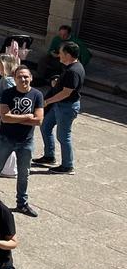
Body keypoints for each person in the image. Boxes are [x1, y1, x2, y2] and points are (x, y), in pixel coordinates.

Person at [0, 65, 45, 218]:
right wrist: (28, 117)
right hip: (5, 139)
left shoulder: (37, 95)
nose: (23, 79)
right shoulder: (7, 94)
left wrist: (16, 118)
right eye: (19, 77)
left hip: (26, 142)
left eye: (26, 76)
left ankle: (22, 204)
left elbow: (39, 120)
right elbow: (5, 117)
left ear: (31, 77)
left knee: (24, 174)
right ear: (14, 79)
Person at [34, 40, 84, 175]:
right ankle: (49, 156)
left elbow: (66, 92)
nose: (58, 55)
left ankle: (67, 165)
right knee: (45, 126)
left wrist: (48, 101)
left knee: (63, 136)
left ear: (68, 55)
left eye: (61, 53)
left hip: (66, 107)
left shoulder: (73, 71)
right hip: (60, 105)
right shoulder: (70, 68)